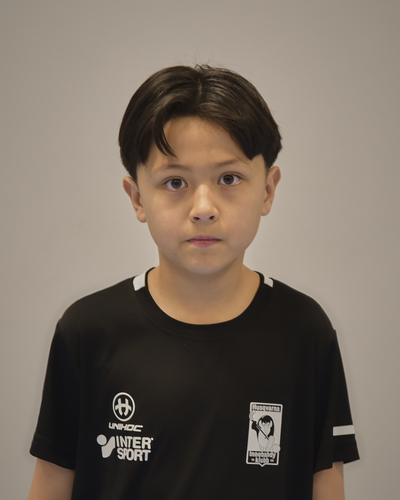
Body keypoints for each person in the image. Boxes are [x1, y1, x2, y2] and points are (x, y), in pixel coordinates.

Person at [28, 64, 359, 499]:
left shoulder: (304, 330)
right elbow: (52, 484)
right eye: (175, 182)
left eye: (228, 178)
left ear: (267, 190)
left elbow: (326, 484)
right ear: (137, 197)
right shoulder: (88, 331)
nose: (203, 208)